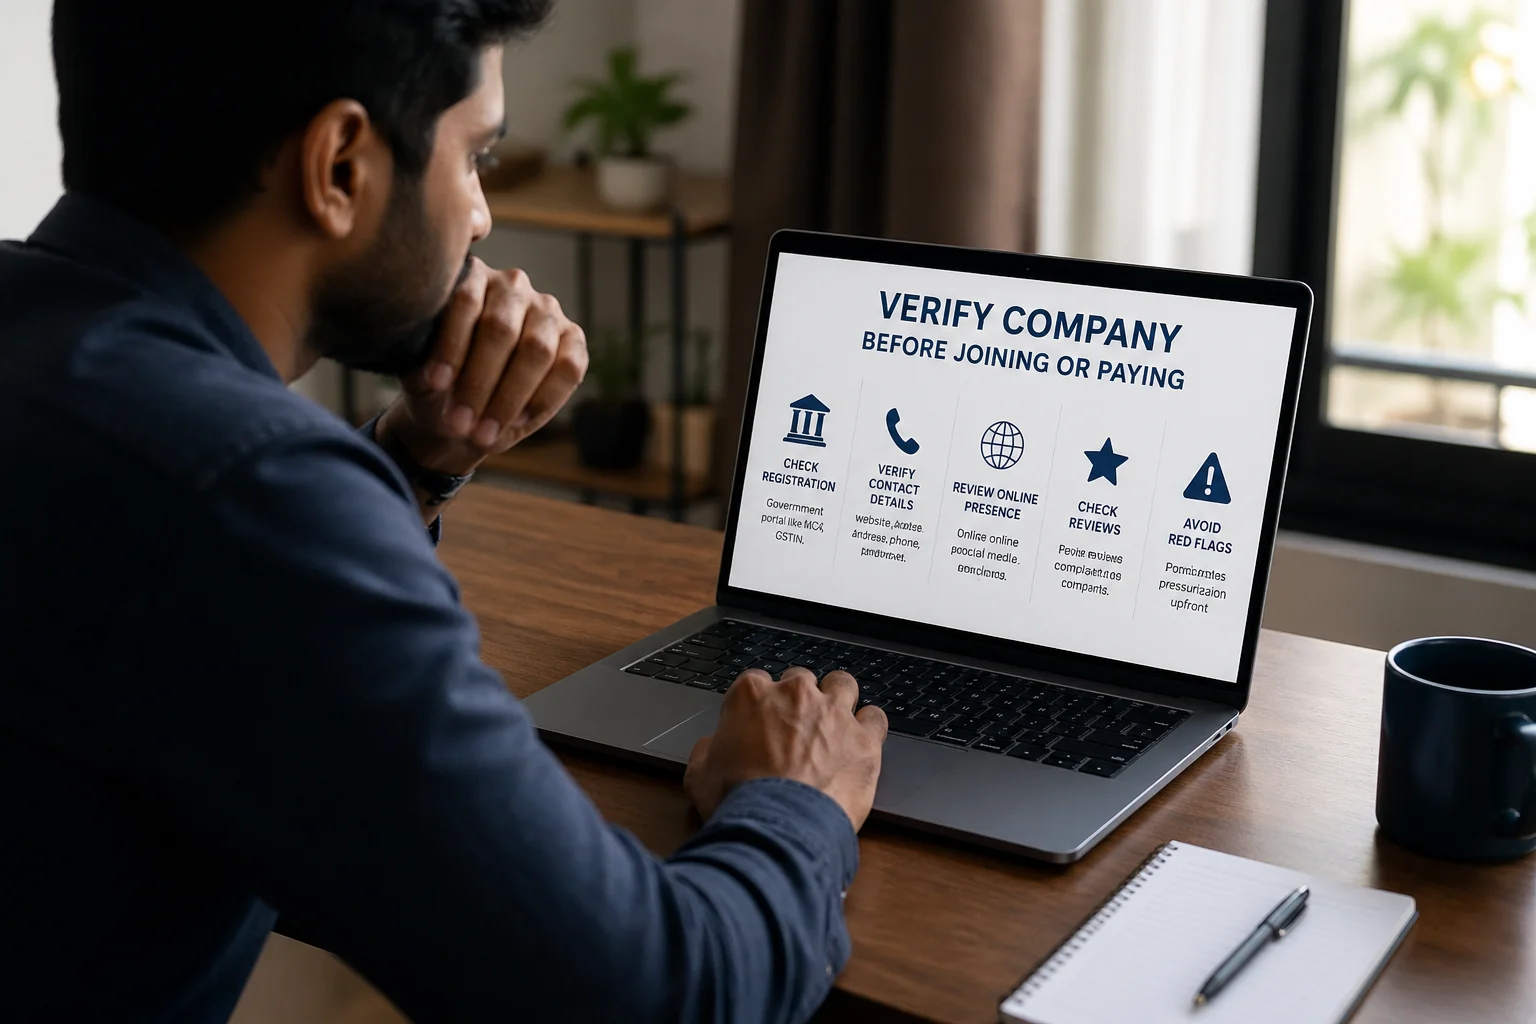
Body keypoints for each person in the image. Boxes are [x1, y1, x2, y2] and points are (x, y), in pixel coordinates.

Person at [0, 1, 889, 1020]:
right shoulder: (250, 495)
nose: (480, 216)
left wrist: (415, 462)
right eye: (476, 157)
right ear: (340, 166)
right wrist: (796, 801)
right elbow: (661, 995)